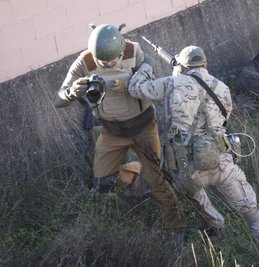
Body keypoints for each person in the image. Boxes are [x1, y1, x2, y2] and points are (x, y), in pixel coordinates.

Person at [128, 45, 259, 262]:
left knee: (197, 198)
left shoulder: (172, 83)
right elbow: (223, 121)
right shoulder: (223, 88)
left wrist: (146, 67)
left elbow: (136, 89)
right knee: (251, 212)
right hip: (221, 163)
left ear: (184, 66)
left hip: (187, 170)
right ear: (206, 64)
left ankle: (216, 225)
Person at [53, 23, 185, 233]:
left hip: (143, 127)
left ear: (121, 50)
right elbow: (57, 100)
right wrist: (72, 92)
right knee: (102, 184)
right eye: (102, 61)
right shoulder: (85, 61)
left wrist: (132, 82)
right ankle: (133, 171)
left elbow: (150, 77)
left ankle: (176, 228)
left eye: (113, 59)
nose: (108, 63)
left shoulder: (134, 50)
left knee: (158, 183)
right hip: (111, 131)